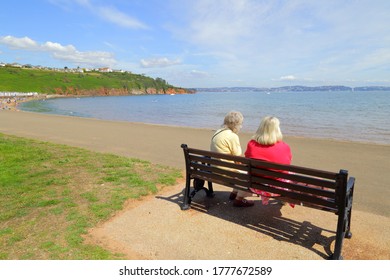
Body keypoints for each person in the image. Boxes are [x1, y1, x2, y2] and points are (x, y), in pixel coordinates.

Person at [244, 116, 292, 205]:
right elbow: (286, 167)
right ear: (277, 129)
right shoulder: (284, 147)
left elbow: (247, 160)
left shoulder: (251, 144)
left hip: (255, 185)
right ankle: (283, 200)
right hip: (277, 189)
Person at [210, 111, 255, 207]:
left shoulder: (218, 132)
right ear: (236, 124)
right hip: (225, 171)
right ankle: (239, 199)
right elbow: (238, 158)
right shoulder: (232, 136)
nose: (241, 126)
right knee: (248, 175)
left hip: (215, 168)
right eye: (241, 124)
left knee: (239, 170)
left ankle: (234, 193)